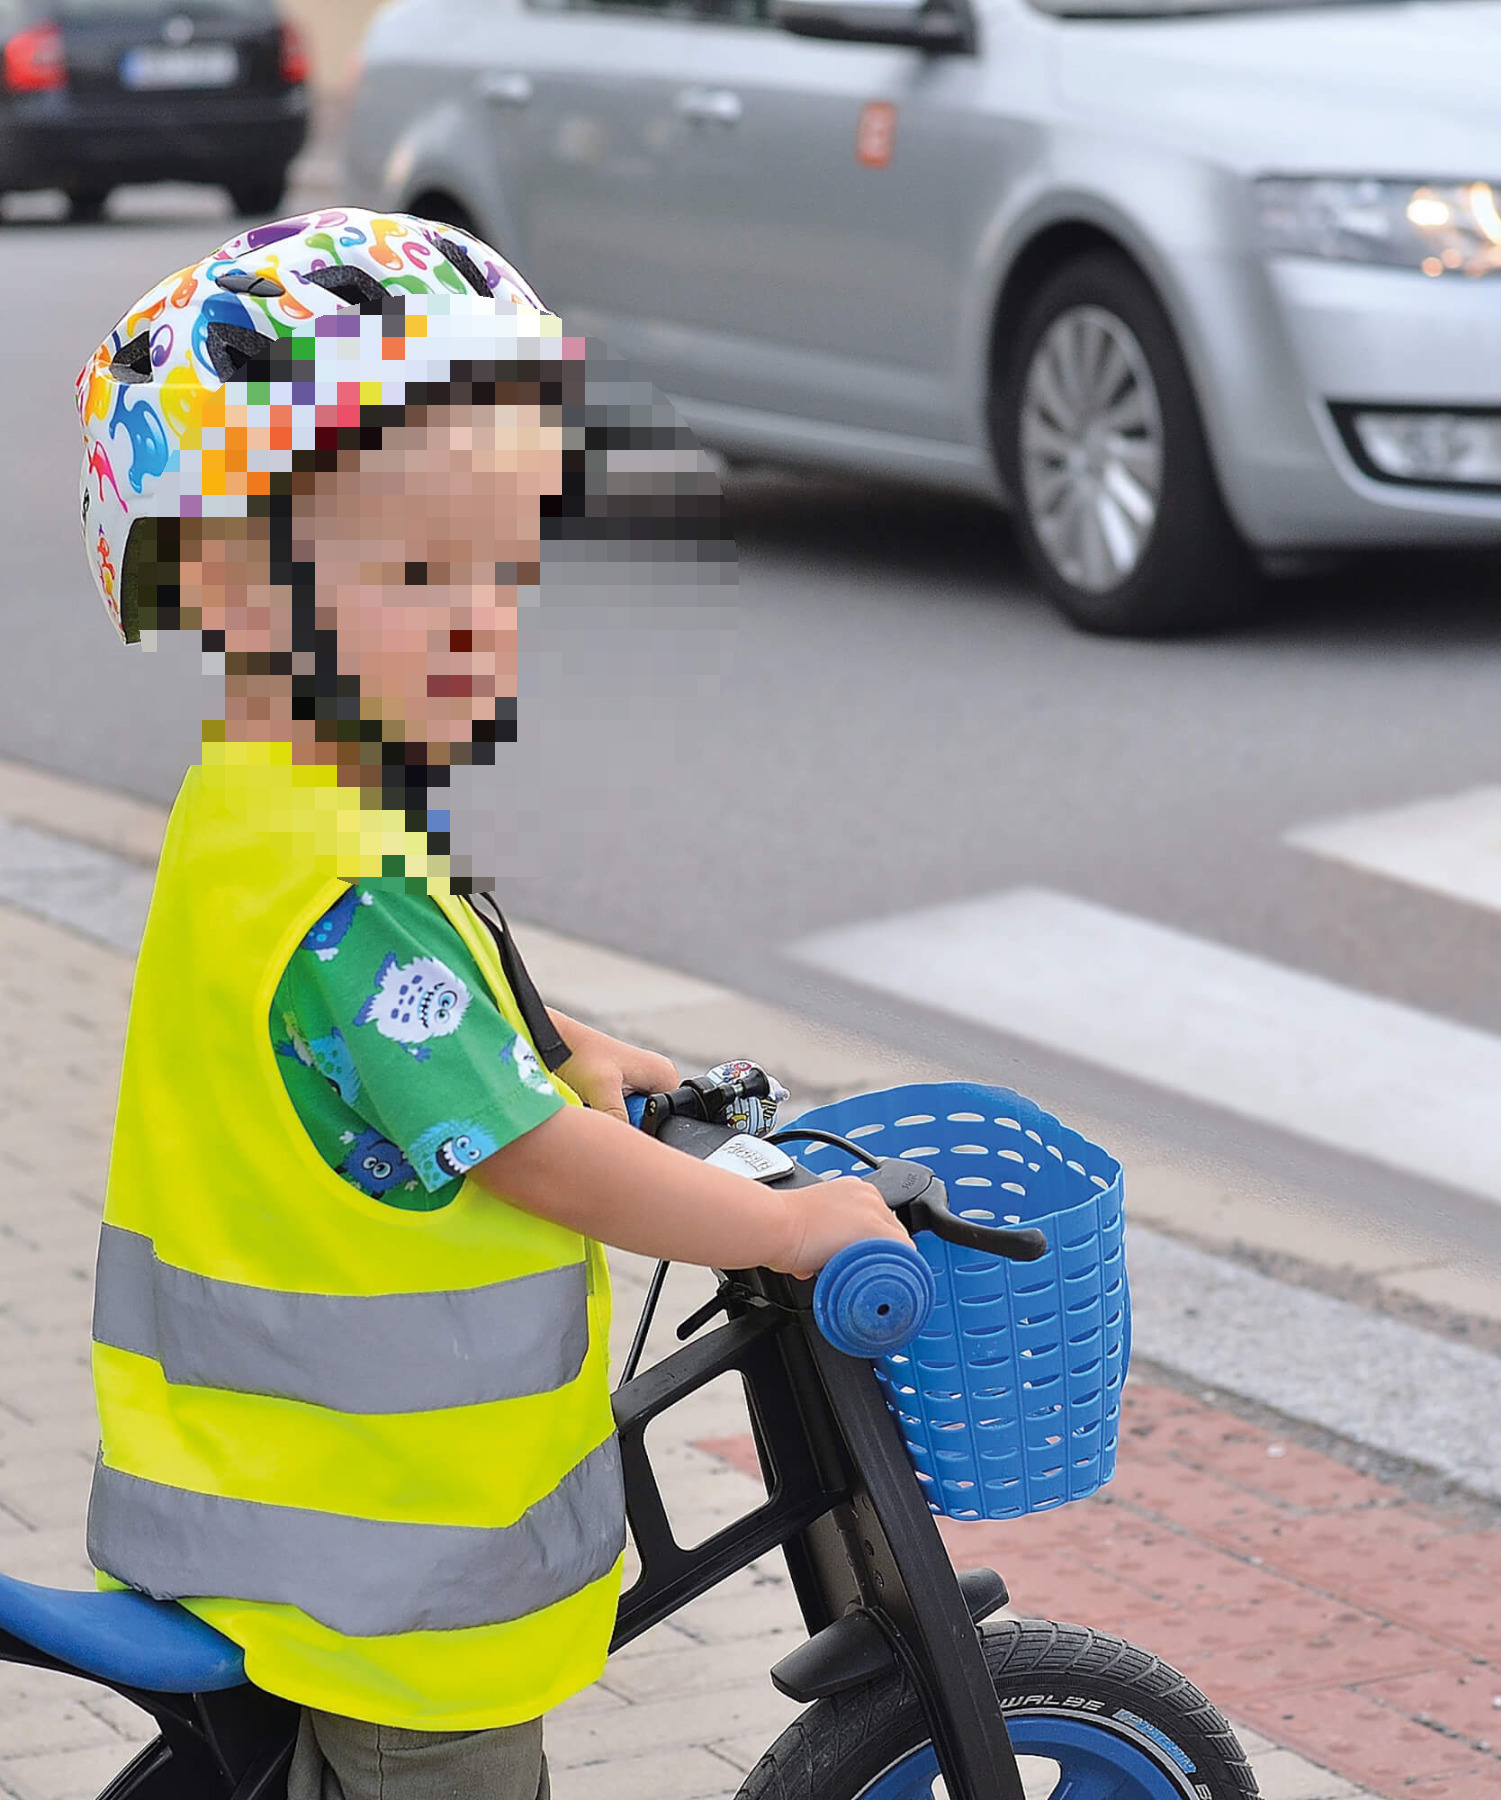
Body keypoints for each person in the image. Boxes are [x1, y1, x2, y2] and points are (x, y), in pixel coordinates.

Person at [74, 208, 909, 1800]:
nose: (482, 617)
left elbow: (411, 1020)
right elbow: (526, 1151)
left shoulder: (279, 804)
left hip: (287, 1505)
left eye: (505, 567)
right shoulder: (339, 881)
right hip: (380, 1573)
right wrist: (784, 1228)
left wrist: (576, 1045)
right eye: (417, 570)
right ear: (231, 584)